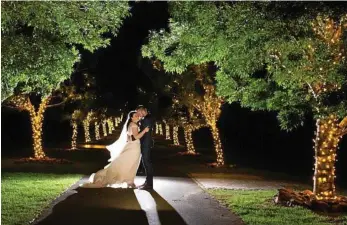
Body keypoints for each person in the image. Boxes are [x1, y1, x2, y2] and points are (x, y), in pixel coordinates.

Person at [81, 111, 150, 188]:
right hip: (133, 148)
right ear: (131, 118)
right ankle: (129, 181)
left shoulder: (132, 124)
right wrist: (144, 131)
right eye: (136, 115)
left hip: (131, 147)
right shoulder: (133, 125)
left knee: (129, 164)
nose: (138, 116)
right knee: (130, 164)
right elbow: (135, 137)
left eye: (138, 115)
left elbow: (130, 137)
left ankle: (130, 181)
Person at [136, 105, 154, 190]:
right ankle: (147, 182)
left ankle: (149, 184)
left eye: (138, 112)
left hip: (146, 144)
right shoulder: (147, 118)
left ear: (142, 110)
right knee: (146, 163)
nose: (138, 114)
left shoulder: (147, 119)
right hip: (146, 143)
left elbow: (145, 134)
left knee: (147, 163)